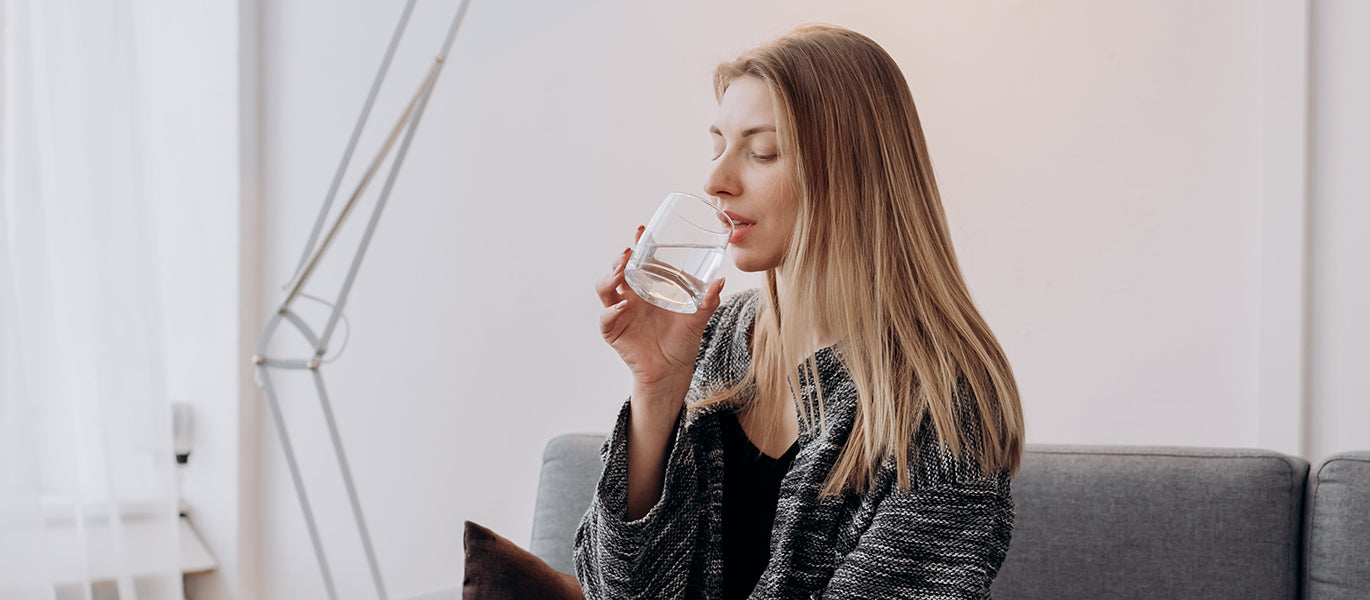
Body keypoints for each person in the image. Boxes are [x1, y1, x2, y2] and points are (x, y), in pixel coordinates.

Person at [578, 24, 1025, 599]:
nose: (715, 181)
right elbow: (612, 591)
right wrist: (657, 388)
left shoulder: (942, 401)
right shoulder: (714, 337)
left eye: (761, 152)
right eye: (718, 146)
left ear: (849, 172)